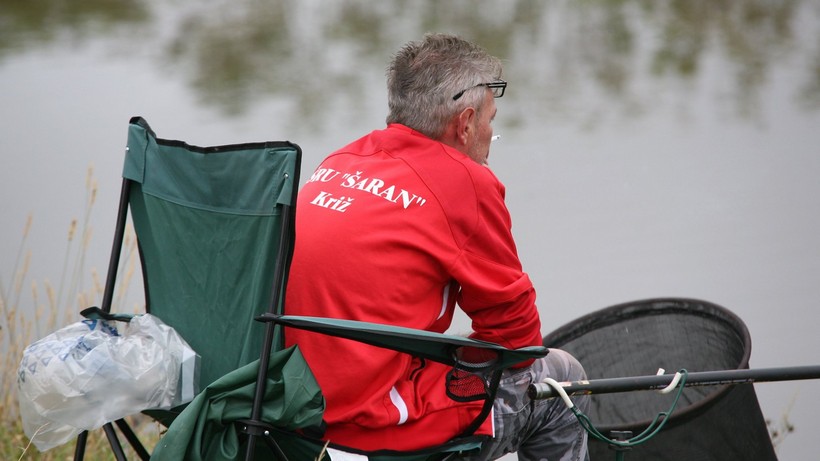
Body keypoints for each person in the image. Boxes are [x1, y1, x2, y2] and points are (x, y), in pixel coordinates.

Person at [284, 33, 589, 460]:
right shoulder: (464, 182)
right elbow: (517, 340)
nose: (491, 137)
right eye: (491, 122)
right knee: (560, 379)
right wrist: (462, 355)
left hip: (292, 406)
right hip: (368, 423)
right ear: (465, 123)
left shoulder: (340, 161)